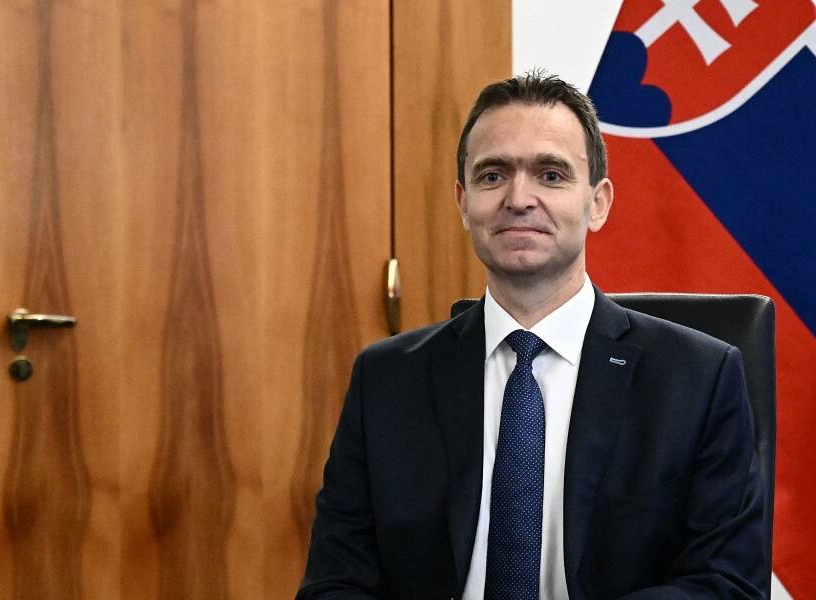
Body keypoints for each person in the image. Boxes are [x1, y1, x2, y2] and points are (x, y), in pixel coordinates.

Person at [297, 72, 766, 599]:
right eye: (493, 175)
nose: (519, 198)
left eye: (551, 174)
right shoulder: (385, 380)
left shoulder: (698, 379)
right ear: (463, 202)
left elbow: (726, 584)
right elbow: (334, 584)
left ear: (598, 203)